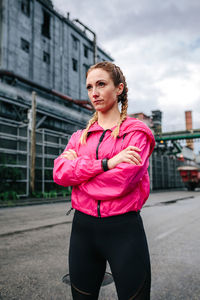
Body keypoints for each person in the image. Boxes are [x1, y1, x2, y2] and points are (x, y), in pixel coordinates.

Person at [53, 61, 155, 300]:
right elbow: (59, 173)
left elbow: (121, 183)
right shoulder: (80, 137)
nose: (94, 93)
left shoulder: (136, 133)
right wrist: (107, 164)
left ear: (119, 88)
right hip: (83, 231)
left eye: (101, 84)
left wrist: (78, 177)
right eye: (89, 87)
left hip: (124, 232)